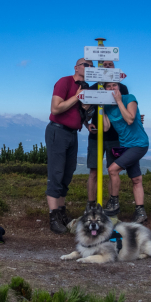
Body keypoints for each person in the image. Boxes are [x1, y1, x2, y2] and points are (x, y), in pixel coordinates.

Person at [45, 58, 93, 234]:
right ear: (76, 67)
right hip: (58, 131)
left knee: (67, 172)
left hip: (73, 134)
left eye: (91, 66)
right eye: (86, 65)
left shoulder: (85, 86)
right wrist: (76, 97)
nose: (89, 68)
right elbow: (55, 109)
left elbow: (80, 111)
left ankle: (62, 212)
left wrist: (88, 125)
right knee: (56, 173)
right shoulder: (64, 82)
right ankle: (53, 216)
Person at [85, 60, 129, 213]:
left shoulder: (122, 87)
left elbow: (127, 108)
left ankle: (112, 205)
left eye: (110, 64)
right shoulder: (94, 87)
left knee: (113, 171)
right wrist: (86, 124)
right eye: (104, 64)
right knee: (93, 172)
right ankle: (91, 205)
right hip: (96, 136)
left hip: (116, 137)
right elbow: (83, 108)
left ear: (115, 67)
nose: (107, 67)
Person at [102, 81, 149, 223]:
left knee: (112, 170)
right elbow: (105, 128)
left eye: (114, 85)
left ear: (119, 87)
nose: (111, 88)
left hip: (139, 144)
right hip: (125, 145)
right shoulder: (108, 107)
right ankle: (141, 212)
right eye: (108, 86)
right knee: (136, 179)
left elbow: (130, 119)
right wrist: (102, 109)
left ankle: (114, 203)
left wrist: (118, 101)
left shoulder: (129, 98)